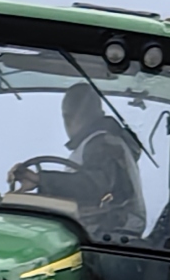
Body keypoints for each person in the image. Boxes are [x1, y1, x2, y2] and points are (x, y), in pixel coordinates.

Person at [11, 85, 146, 238]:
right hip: (103, 232)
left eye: (69, 116)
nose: (68, 122)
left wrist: (41, 179)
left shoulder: (103, 143)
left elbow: (95, 187)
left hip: (113, 237)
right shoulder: (98, 142)